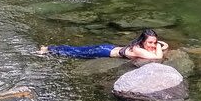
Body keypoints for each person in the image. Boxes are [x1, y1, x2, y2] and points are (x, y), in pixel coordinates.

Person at [39, 29, 169, 59]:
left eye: (154, 42)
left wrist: (158, 45)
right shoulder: (137, 49)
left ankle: (49, 47)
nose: (153, 45)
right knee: (75, 53)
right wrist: (159, 46)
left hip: (108, 46)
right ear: (142, 41)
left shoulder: (140, 46)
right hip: (103, 51)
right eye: (150, 42)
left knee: (77, 49)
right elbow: (157, 57)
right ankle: (48, 50)